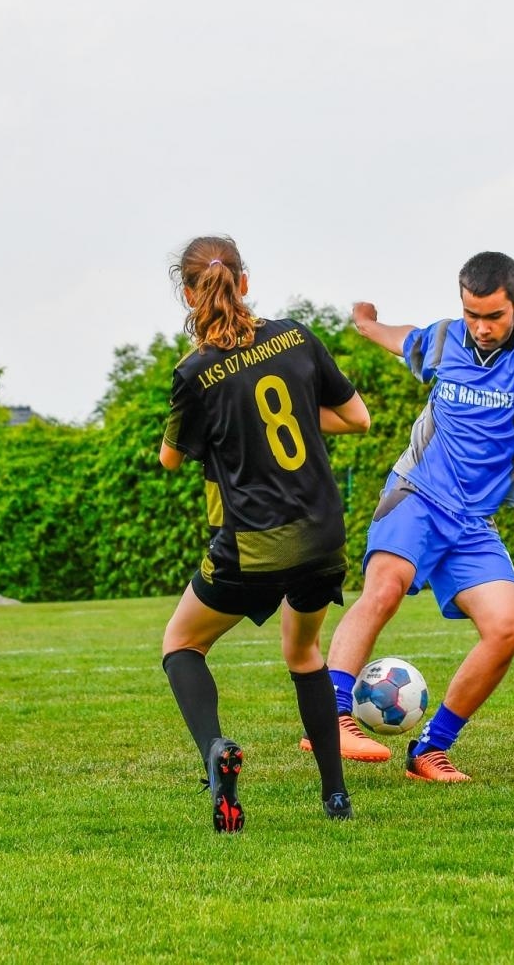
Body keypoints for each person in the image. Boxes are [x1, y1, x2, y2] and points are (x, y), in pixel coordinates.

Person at [303, 252, 514, 782]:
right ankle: (332, 717)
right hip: (417, 493)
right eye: (472, 314)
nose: (481, 327)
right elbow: (405, 338)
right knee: (385, 588)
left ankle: (430, 749)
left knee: (507, 628)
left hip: (474, 523)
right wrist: (366, 324)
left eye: (494, 315)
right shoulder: (446, 337)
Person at [158, 235, 372, 832]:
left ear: (189, 294)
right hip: (322, 536)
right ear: (245, 282)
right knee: (304, 653)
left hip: (252, 545)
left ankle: (214, 751)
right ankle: (335, 795)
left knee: (181, 644)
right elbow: (358, 418)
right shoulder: (297, 337)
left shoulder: (195, 373)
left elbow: (171, 459)